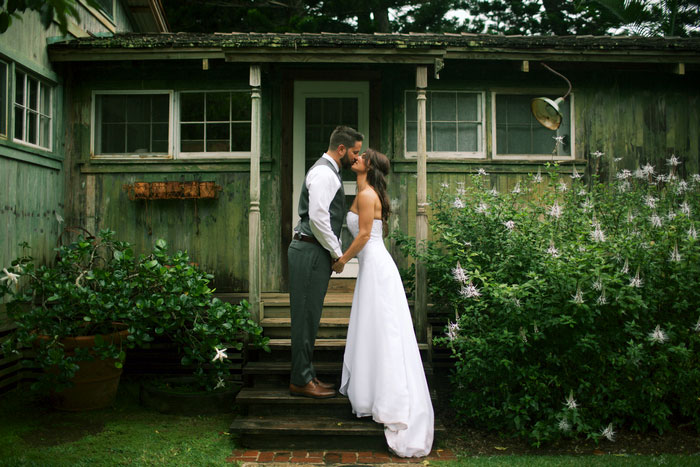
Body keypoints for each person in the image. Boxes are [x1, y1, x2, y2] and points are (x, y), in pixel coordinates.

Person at [332, 149, 434, 457]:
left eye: (362, 156)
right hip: (373, 267)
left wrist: (341, 261)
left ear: (370, 166)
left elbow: (363, 235)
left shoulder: (367, 195)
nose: (357, 157)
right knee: (373, 329)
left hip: (375, 267)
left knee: (383, 330)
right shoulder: (363, 191)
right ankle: (371, 391)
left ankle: (389, 399)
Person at [288, 125, 364, 399]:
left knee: (310, 316)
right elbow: (319, 218)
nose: (356, 158)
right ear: (341, 149)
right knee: (305, 319)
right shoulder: (324, 173)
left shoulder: (329, 172)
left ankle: (306, 374)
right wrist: (337, 253)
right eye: (354, 153)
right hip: (309, 252)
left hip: (312, 251)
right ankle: (300, 380)